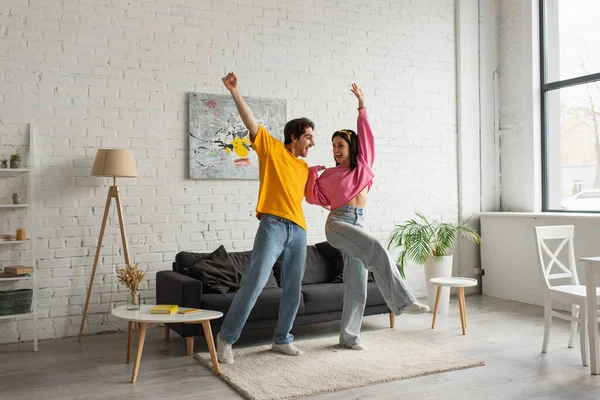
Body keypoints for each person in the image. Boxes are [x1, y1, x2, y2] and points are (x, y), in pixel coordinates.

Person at [305, 83, 429, 350]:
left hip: (358, 221)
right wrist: (311, 174)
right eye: (333, 146)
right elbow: (314, 197)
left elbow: (367, 136)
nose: (336, 150)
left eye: (340, 145)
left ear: (351, 146)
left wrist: (362, 106)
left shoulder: (362, 168)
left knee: (356, 285)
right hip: (338, 223)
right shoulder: (329, 175)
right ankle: (404, 301)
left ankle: (349, 338)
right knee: (376, 248)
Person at [216, 72, 315, 364]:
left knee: (294, 287)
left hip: (298, 229)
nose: (312, 142)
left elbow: (320, 196)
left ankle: (282, 339)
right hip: (272, 225)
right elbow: (251, 122)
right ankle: (225, 340)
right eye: (308, 136)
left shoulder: (305, 168)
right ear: (294, 137)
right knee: (255, 282)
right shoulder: (271, 148)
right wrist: (235, 91)